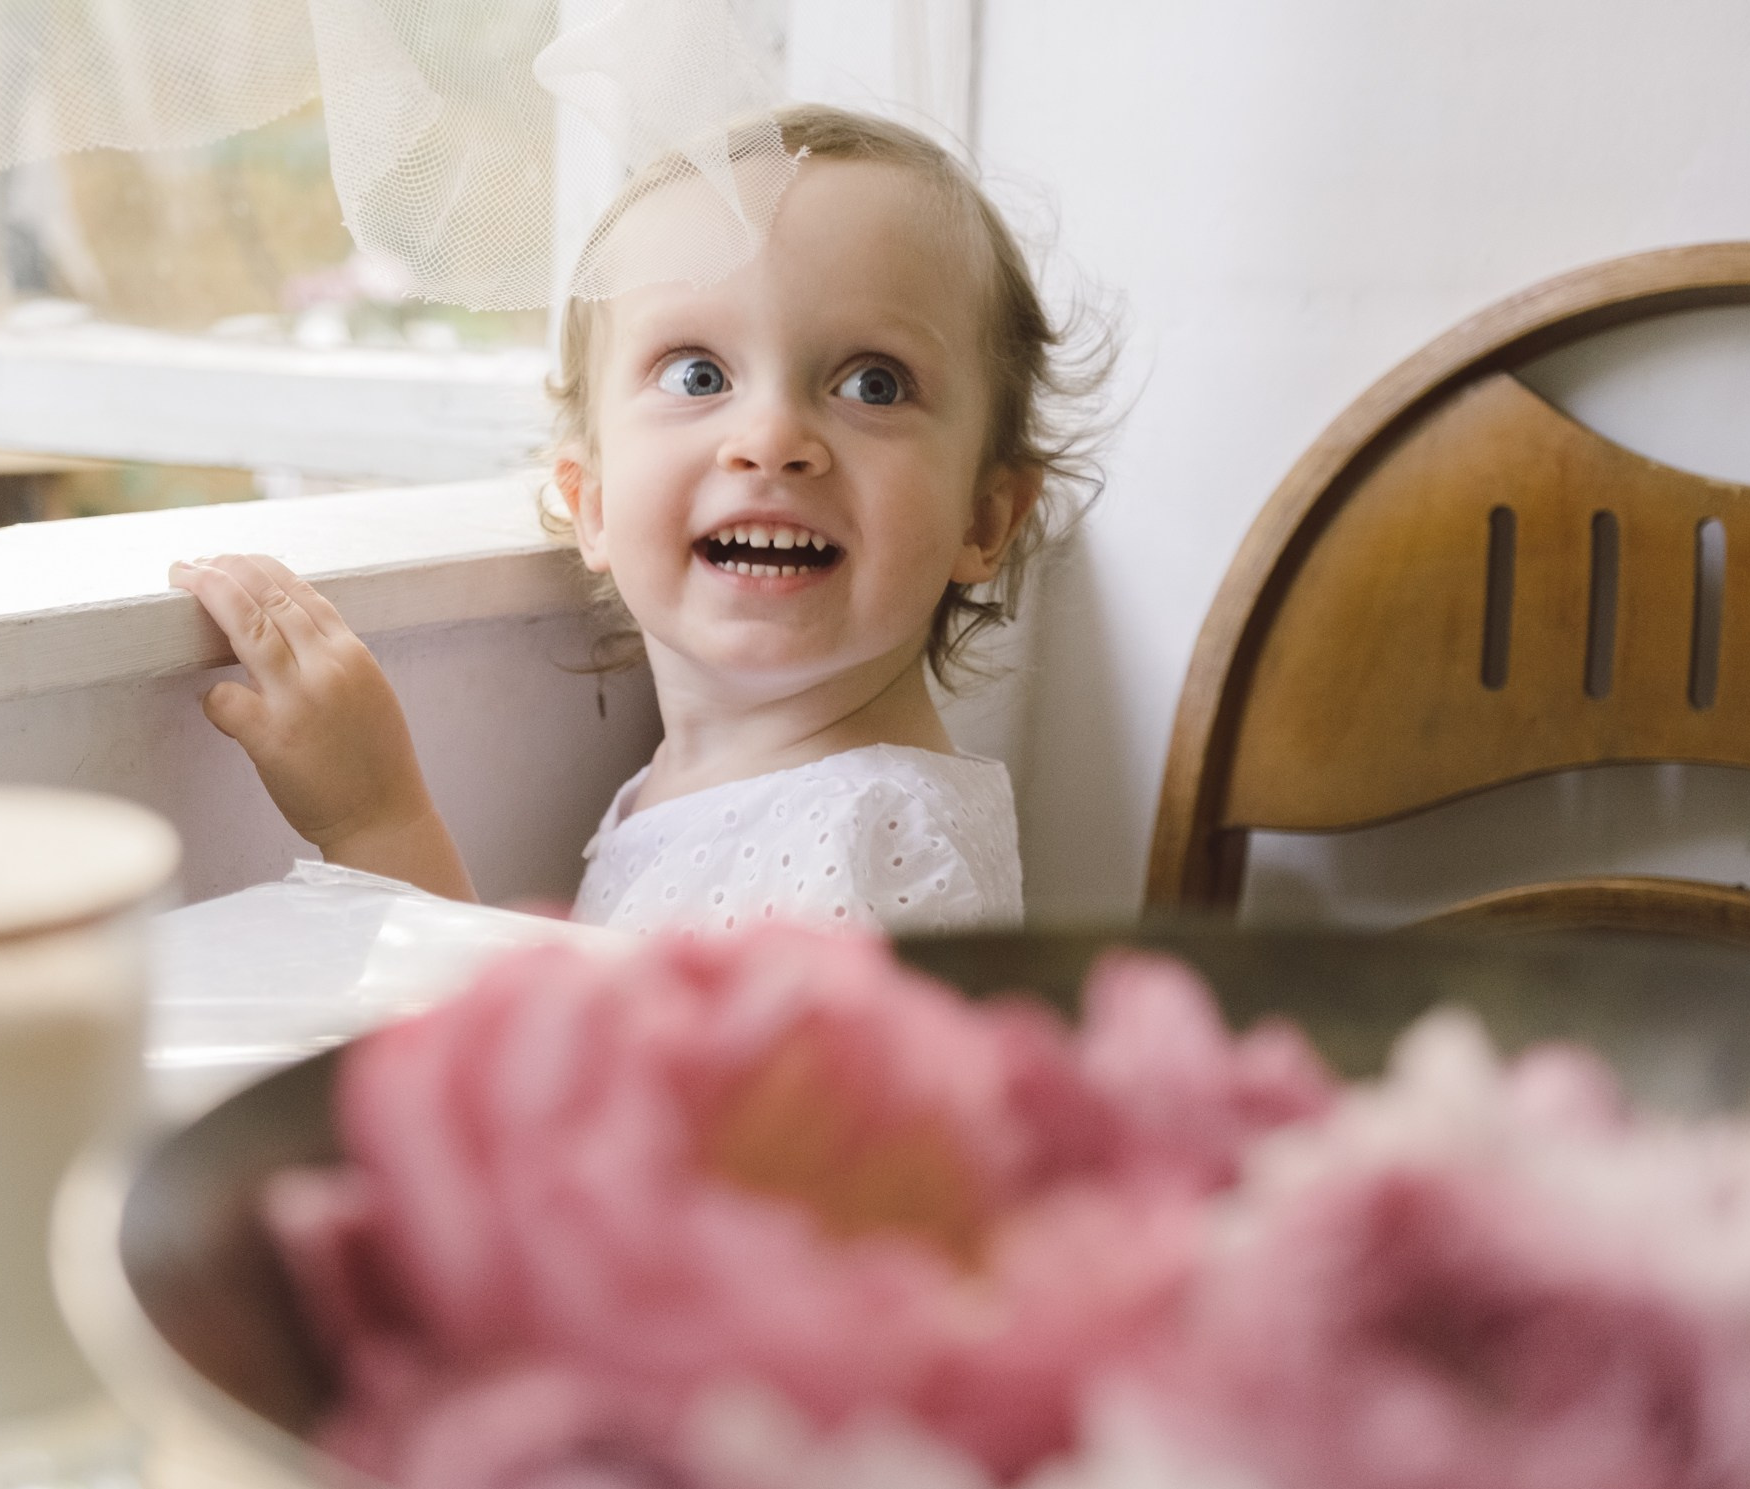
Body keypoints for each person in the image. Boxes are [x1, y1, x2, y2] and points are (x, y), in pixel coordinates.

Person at [172, 104, 1105, 936]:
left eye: (874, 384)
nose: (772, 439)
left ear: (985, 519)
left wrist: (377, 818)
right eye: (699, 375)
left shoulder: (869, 846)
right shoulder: (739, 796)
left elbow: (546, 1085)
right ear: (593, 503)